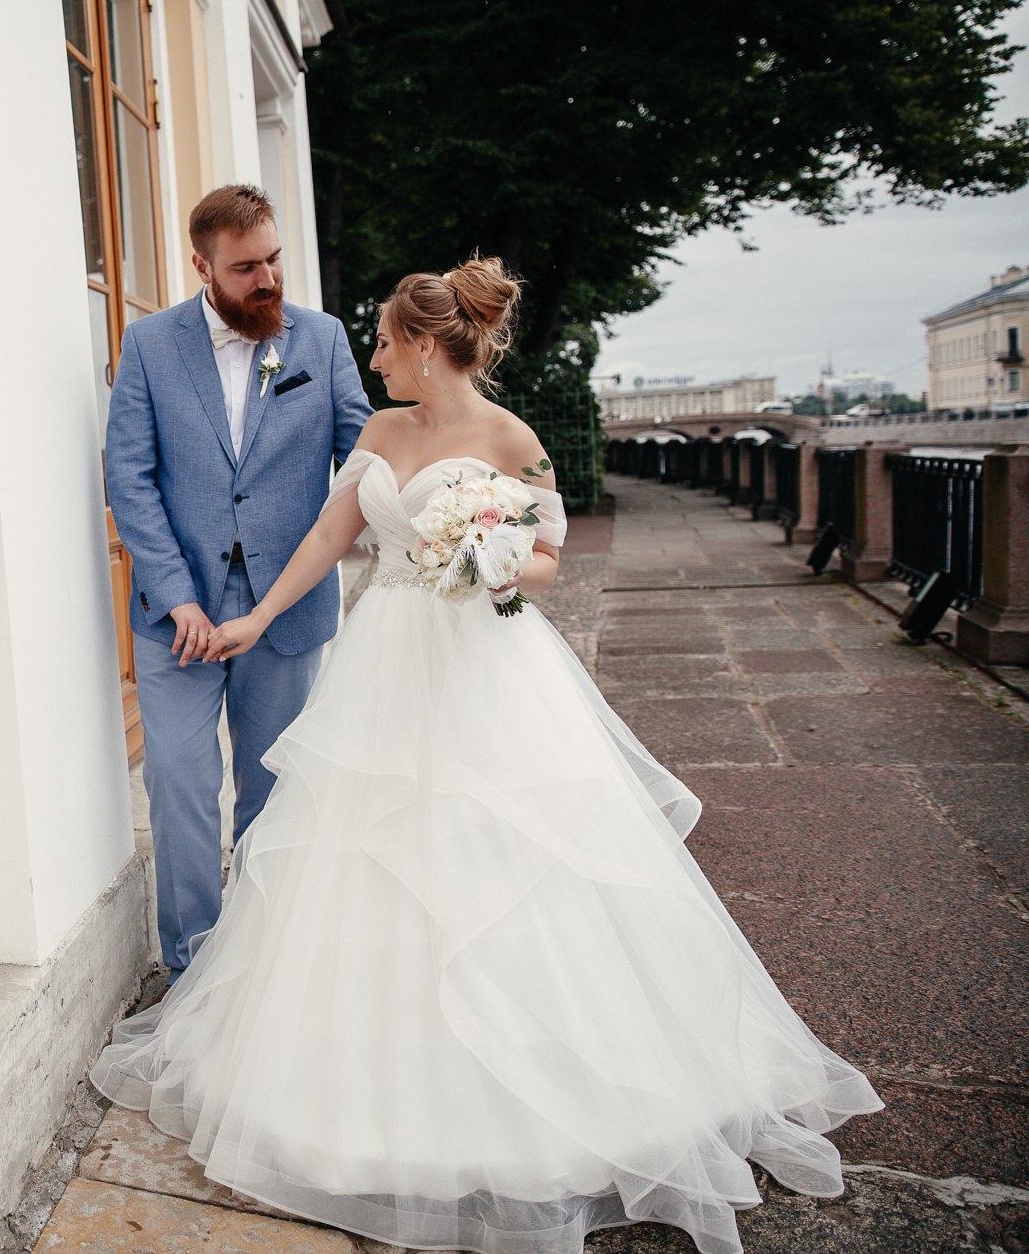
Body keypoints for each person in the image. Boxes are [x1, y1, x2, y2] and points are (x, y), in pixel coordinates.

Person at [92, 257, 882, 1254]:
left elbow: (547, 552)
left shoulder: (512, 440)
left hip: (485, 666)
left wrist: (490, 556)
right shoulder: (378, 434)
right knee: (365, 860)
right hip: (383, 663)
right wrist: (253, 617)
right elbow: (328, 537)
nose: (369, 355)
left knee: (497, 857)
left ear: (424, 344)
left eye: (380, 339)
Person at [105, 184, 375, 979]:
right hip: (175, 612)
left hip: (284, 606)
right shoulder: (150, 344)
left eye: (274, 260)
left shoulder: (321, 342)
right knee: (181, 784)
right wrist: (176, 591)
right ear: (202, 264)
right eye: (246, 266)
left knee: (272, 787)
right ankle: (193, 968)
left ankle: (262, 972)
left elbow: (366, 461)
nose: (267, 280)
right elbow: (130, 475)